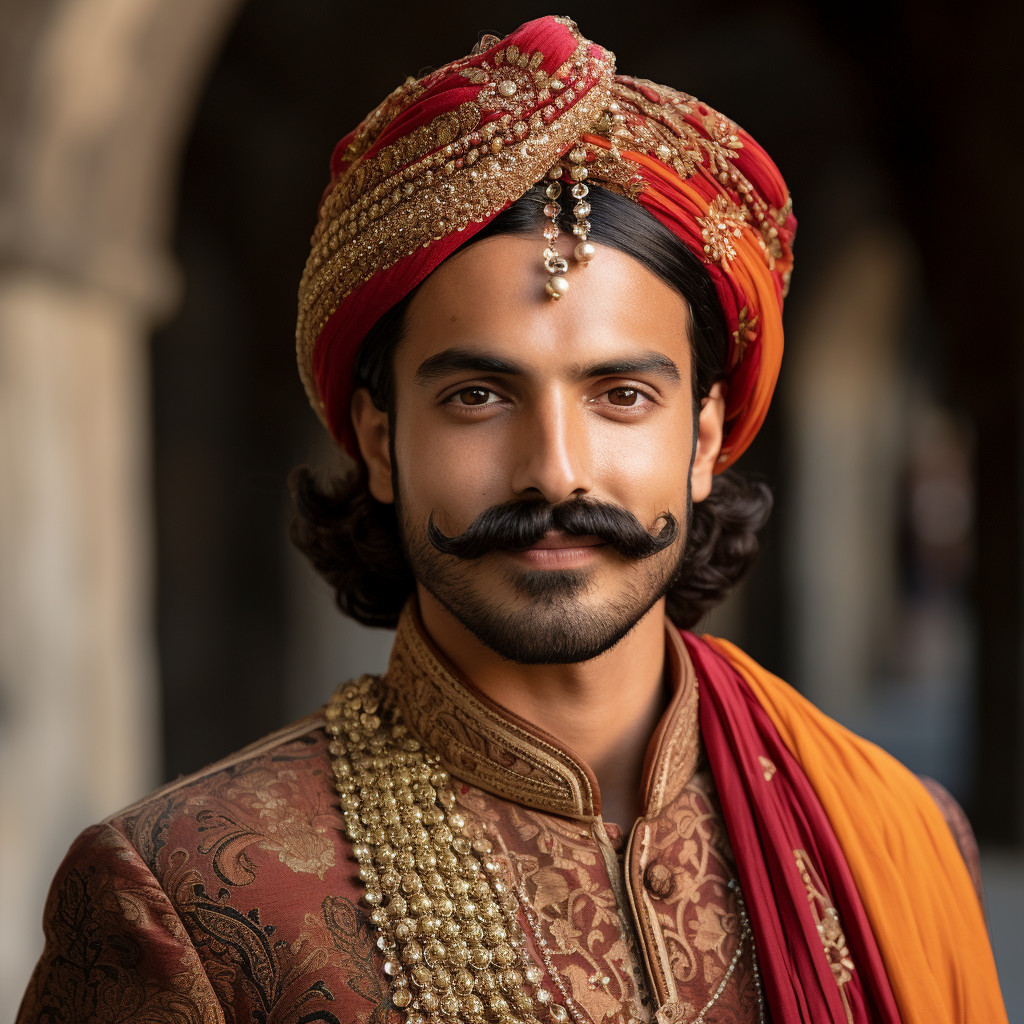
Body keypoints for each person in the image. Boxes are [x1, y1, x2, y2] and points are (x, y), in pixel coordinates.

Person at [17, 15, 1006, 1024]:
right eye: (478, 397)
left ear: (704, 439)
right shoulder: (182, 897)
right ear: (378, 438)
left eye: (620, 395)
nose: (554, 471)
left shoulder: (894, 833)